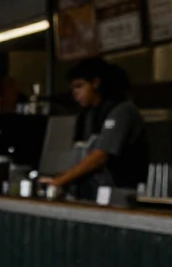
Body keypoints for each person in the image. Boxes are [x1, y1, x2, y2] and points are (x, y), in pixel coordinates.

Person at [41, 58, 149, 199]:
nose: (75, 93)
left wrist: (59, 181)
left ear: (96, 83)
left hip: (122, 192)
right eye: (73, 88)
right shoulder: (89, 114)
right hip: (94, 191)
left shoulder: (122, 110)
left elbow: (100, 156)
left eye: (79, 86)